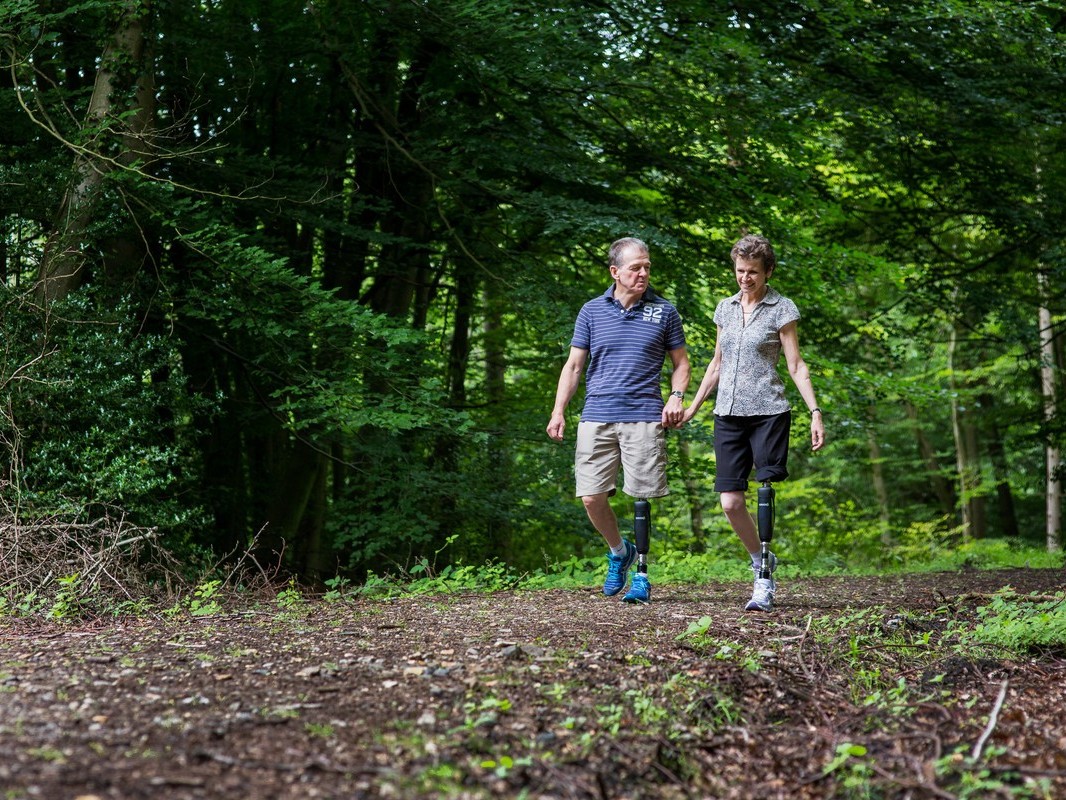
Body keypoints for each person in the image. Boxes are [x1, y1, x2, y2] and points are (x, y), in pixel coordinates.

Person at [680, 234, 824, 612]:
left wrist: (815, 412)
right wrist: (694, 406)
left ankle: (763, 583)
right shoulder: (724, 309)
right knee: (729, 502)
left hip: (768, 412)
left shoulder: (782, 308)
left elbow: (795, 365)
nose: (745, 278)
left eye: (753, 272)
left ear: (768, 271)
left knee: (764, 488)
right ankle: (761, 558)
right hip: (727, 413)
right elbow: (716, 363)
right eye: (740, 271)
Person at [547, 237, 690, 604]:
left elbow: (681, 364)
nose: (643, 273)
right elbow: (575, 365)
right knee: (591, 497)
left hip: (643, 414)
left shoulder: (664, 311)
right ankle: (618, 551)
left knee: (641, 496)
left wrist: (676, 397)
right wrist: (559, 410)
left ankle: (641, 573)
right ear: (615, 272)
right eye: (635, 268)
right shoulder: (592, 311)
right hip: (596, 415)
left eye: (647, 267)